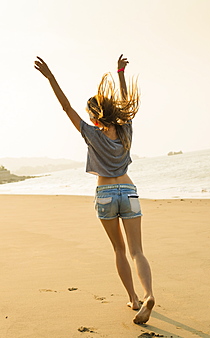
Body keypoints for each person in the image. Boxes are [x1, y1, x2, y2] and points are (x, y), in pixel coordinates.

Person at [34, 55, 155, 324]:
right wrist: (121, 73)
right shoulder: (126, 130)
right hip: (129, 190)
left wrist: (51, 78)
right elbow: (126, 103)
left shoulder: (91, 133)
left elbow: (66, 108)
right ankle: (148, 295)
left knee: (119, 251)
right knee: (137, 251)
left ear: (94, 116)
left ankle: (133, 299)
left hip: (105, 196)